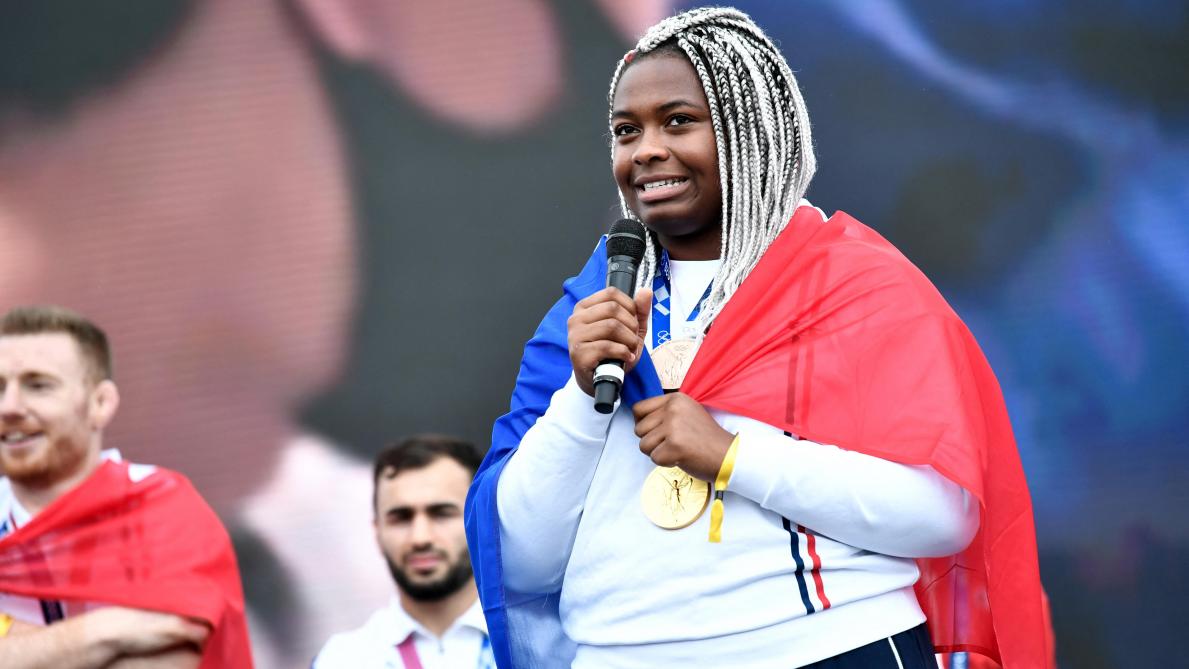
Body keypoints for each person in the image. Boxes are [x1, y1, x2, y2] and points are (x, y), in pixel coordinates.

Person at [466, 7, 1049, 669]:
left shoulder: (851, 287)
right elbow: (520, 561)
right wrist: (580, 398)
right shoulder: (589, 310)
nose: (645, 149)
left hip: (831, 648)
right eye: (626, 131)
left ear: (751, 129)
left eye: (677, 121)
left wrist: (732, 456)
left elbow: (942, 514)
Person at [0, 305, 251, 667]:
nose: (9, 407)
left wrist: (15, 643)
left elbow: (166, 661)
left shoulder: (159, 506)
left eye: (38, 386)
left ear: (100, 404)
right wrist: (105, 632)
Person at [313, 435, 494, 668]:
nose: (420, 538)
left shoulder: (531, 644)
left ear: (481, 522)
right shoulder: (342, 660)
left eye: (441, 513)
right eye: (401, 518)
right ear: (377, 532)